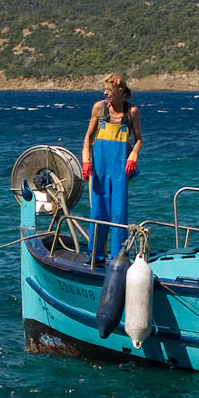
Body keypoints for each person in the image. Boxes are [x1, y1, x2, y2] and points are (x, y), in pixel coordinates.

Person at [79, 72, 143, 263]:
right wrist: (85, 160)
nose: (105, 93)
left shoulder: (132, 112)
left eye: (109, 89)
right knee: (98, 212)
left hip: (120, 172)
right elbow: (88, 138)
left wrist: (133, 155)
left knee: (119, 213)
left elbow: (139, 139)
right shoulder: (99, 109)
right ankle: (95, 257)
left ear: (120, 91)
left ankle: (118, 257)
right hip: (99, 170)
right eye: (104, 89)